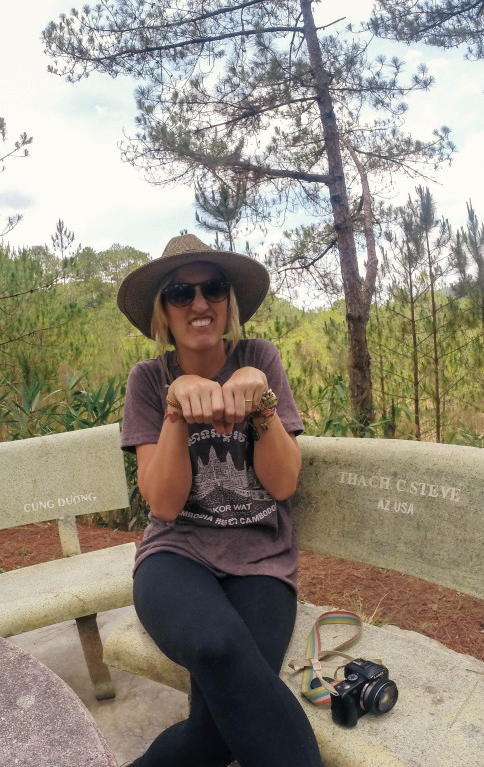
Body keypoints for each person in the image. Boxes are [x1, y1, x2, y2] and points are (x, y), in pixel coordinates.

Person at [117, 233, 323, 767]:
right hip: (175, 556)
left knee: (211, 733)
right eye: (180, 293)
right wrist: (174, 412)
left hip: (262, 561)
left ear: (229, 301)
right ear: (164, 310)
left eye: (213, 287)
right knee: (217, 649)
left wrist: (263, 404)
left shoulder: (261, 359)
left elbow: (282, 485)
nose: (199, 303)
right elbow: (163, 504)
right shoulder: (147, 379)